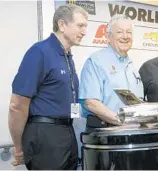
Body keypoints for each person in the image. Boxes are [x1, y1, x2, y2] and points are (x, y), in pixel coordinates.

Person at [8, 4, 88, 170]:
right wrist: (18, 146)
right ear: (62, 25)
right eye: (80, 25)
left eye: (85, 26)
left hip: (67, 132)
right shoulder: (40, 52)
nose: (84, 32)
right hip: (45, 136)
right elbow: (17, 105)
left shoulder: (68, 57)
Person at [79, 14, 143, 129]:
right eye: (119, 32)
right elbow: (91, 103)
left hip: (131, 133)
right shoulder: (96, 61)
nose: (125, 36)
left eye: (129, 32)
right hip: (105, 134)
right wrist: (121, 121)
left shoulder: (131, 65)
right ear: (108, 37)